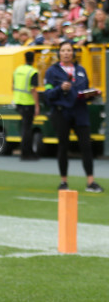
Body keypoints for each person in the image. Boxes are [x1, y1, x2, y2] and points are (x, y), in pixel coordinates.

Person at [43, 41, 103, 192]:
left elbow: (85, 92)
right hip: (61, 112)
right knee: (63, 146)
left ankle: (91, 182)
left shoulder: (81, 70)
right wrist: (60, 88)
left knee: (86, 146)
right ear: (59, 53)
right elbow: (48, 95)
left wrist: (93, 94)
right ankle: (63, 182)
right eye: (63, 50)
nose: (66, 53)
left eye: (69, 50)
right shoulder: (52, 71)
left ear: (73, 53)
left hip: (80, 111)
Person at [13, 51, 40, 161]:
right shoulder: (33, 71)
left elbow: (13, 85)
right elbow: (33, 89)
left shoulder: (18, 70)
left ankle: (27, 152)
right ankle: (26, 153)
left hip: (18, 101)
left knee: (24, 127)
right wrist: (37, 105)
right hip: (28, 102)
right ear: (33, 59)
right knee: (27, 129)